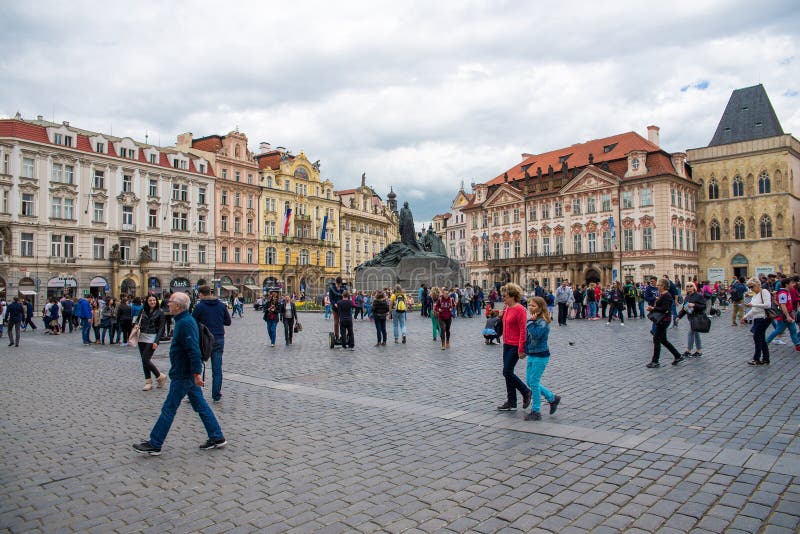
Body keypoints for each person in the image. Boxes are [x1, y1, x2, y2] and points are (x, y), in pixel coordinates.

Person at [133, 292, 226, 456]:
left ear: (178, 305)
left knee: (169, 408)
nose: (167, 304)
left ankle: (155, 443)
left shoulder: (185, 323)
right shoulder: (183, 321)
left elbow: (193, 350)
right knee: (201, 405)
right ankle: (217, 436)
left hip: (184, 374)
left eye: (170, 302)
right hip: (185, 372)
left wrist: (197, 373)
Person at [523, 296, 561, 421]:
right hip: (532, 354)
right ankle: (552, 398)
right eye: (529, 305)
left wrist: (529, 323)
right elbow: (528, 339)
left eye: (533, 306)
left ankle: (536, 410)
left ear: (540, 308)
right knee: (530, 381)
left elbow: (536, 335)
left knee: (533, 382)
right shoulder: (534, 320)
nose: (530, 307)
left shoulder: (542, 322)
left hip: (541, 355)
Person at [192, 285, 232, 402]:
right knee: (217, 368)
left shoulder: (199, 306)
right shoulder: (221, 305)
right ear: (210, 292)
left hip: (203, 339)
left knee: (197, 366)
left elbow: (192, 322)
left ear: (200, 294)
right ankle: (216, 395)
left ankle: (196, 393)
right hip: (219, 338)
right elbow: (228, 322)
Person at [497, 283, 532, 411]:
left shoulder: (520, 309)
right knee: (508, 373)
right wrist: (500, 317)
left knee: (506, 371)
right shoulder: (507, 308)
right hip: (506, 343)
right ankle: (511, 401)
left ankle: (526, 391)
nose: (503, 298)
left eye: (505, 296)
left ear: (513, 296)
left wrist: (521, 348)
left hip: (515, 345)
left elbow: (523, 330)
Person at [645, 279, 685, 368]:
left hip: (664, 320)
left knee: (656, 339)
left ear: (663, 286)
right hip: (663, 319)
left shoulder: (667, 296)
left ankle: (655, 361)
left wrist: (653, 309)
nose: (657, 286)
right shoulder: (662, 295)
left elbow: (665, 309)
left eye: (659, 285)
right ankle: (678, 356)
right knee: (663, 340)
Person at [137, 295, 168, 391]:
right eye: (150, 300)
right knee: (144, 360)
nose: (152, 302)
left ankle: (159, 376)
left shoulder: (160, 312)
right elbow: (137, 321)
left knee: (145, 359)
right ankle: (148, 382)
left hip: (152, 337)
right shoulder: (142, 311)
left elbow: (162, 328)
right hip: (141, 336)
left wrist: (156, 341)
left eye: (154, 300)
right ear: (147, 301)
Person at [743, 277, 773, 365]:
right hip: (757, 318)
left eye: (752, 286)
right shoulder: (755, 295)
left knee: (757, 336)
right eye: (749, 287)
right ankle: (766, 358)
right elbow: (754, 309)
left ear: (757, 284)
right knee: (761, 338)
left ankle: (756, 358)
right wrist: (745, 317)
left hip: (764, 318)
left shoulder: (764, 292)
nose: (750, 289)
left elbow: (768, 305)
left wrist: (753, 304)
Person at [765, 277, 800, 351]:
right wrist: (787, 316)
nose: (793, 284)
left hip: (789, 314)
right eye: (792, 283)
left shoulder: (787, 292)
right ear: (787, 284)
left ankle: (797, 345)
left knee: (793, 330)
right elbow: (782, 305)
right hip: (784, 316)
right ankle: (766, 343)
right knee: (778, 330)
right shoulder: (783, 293)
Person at [676, 282, 706, 358]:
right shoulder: (687, 297)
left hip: (697, 317)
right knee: (696, 334)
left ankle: (688, 351)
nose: (689, 287)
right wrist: (679, 316)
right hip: (690, 317)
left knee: (691, 333)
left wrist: (694, 305)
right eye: (687, 286)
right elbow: (685, 308)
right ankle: (698, 351)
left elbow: (703, 306)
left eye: (691, 286)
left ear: (694, 287)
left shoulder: (698, 296)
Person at [328, 277, 346, 341]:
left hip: (342, 308)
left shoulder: (344, 288)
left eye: (340, 284)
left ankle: (343, 335)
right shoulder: (332, 288)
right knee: (336, 322)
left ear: (341, 283)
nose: (339, 285)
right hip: (335, 308)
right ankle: (336, 336)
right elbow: (331, 298)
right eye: (337, 284)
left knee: (343, 322)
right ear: (336, 282)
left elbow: (346, 296)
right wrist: (334, 304)